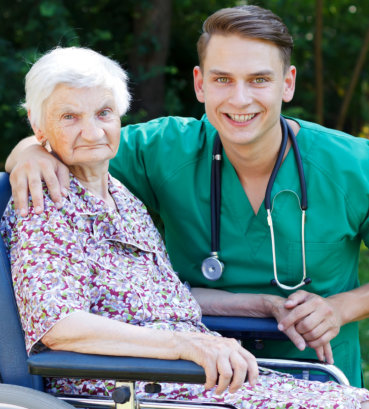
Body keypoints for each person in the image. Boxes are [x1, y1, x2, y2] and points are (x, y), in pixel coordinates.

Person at [4, 5, 369, 387]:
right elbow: (77, 141)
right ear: (200, 84)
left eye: (259, 79)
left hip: (311, 369)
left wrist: (339, 308)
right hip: (180, 374)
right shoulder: (161, 150)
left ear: (288, 83)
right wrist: (30, 151)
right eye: (223, 79)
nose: (240, 99)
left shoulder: (351, 165)